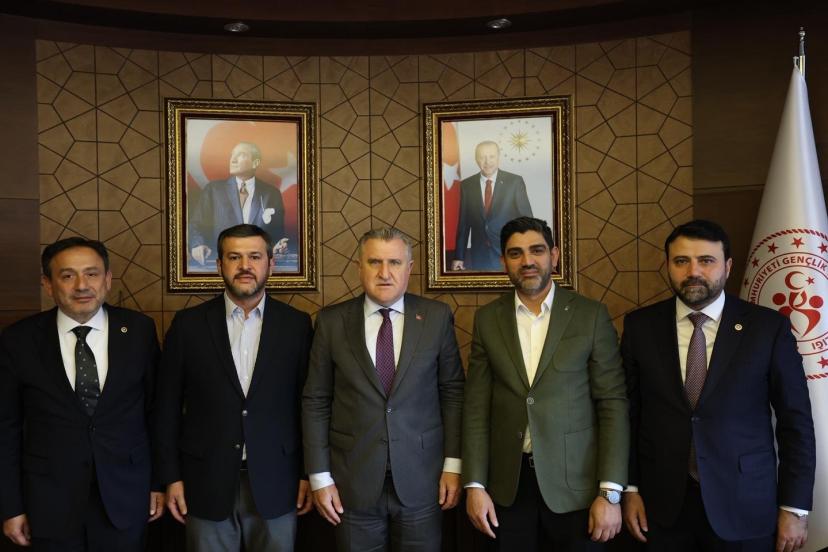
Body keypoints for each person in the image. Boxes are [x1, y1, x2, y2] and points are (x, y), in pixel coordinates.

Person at [621, 219, 817, 552]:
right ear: (667, 265)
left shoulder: (768, 329)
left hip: (745, 505)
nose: (693, 271)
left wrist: (794, 507)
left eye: (706, 261)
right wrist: (630, 489)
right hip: (661, 507)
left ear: (727, 266)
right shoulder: (641, 326)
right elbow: (628, 414)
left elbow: (795, 421)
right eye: (681, 261)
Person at [463, 216, 629, 551]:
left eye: (537, 250)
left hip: (577, 489)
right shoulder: (487, 319)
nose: (527, 261)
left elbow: (612, 404)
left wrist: (610, 492)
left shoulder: (591, 316)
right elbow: (477, 407)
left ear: (554, 256)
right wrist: (475, 485)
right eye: (516, 253)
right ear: (503, 261)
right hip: (507, 488)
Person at [303, 227, 464, 551]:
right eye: (374, 262)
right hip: (351, 484)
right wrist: (319, 477)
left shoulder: (436, 317)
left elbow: (453, 393)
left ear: (409, 267)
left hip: (424, 481)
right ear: (359, 267)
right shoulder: (332, 322)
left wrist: (453, 465)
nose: (384, 273)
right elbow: (316, 401)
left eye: (394, 262)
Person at [155, 224, 313, 552]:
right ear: (219, 265)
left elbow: (308, 406)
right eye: (234, 257)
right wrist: (170, 477)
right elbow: (165, 408)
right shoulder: (187, 326)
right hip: (204, 481)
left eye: (254, 256)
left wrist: (306, 474)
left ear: (270, 264)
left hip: (278, 481)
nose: (245, 266)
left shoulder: (297, 325)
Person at [0, 237, 163, 550]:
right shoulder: (19, 340)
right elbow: (5, 429)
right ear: (48, 284)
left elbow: (156, 413)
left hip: (127, 496)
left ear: (107, 279)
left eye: (92, 274)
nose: (82, 285)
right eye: (67, 276)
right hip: (48, 502)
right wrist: (10, 506)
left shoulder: (139, 331)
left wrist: (159, 483)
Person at [189, 142, 288, 265]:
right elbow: (196, 225)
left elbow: (277, 234)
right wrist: (197, 245)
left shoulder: (272, 193)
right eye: (232, 155)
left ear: (255, 163)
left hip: (258, 264)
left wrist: (278, 247)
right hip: (222, 263)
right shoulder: (213, 190)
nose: (233, 159)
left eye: (241, 155)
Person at [451, 140, 532, 272]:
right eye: (482, 157)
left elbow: (527, 221)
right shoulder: (466, 185)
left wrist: (526, 252)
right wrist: (459, 257)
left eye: (491, 156)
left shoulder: (514, 182)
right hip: (479, 254)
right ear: (476, 159)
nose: (487, 162)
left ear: (498, 157)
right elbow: (463, 225)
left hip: (509, 252)